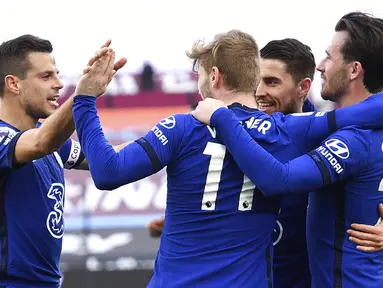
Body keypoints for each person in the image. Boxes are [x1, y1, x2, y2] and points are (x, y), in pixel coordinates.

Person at [73, 29, 383, 287]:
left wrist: (85, 100)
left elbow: (107, 172)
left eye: (201, 75)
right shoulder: (290, 129)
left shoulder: (184, 126)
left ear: (216, 77)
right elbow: (369, 114)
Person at [192, 12, 383, 287]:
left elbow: (278, 180)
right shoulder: (325, 127)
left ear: (353, 70)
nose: (321, 66)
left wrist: (222, 117)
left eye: (329, 57)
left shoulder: (351, 140)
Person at [0, 34, 126, 287]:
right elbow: (40, 143)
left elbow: (109, 157)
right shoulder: (10, 139)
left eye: (57, 74)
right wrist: (83, 94)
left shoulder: (54, 144)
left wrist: (172, 134)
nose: (59, 84)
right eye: (46, 76)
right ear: (13, 83)